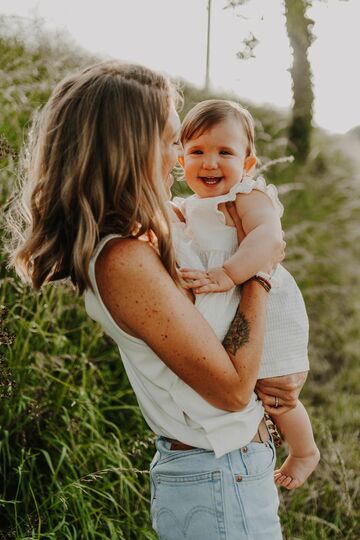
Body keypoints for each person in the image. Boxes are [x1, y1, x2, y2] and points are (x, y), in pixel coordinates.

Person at [7, 60, 308, 539]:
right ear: (128, 146)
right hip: (217, 479)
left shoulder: (150, 233)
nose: (179, 158)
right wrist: (260, 274)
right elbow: (231, 391)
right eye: (172, 141)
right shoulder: (123, 259)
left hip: (224, 472)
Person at [171, 99, 320, 490]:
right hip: (235, 303)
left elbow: (268, 239)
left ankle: (304, 450)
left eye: (225, 152)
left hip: (271, 307)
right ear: (179, 159)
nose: (210, 163)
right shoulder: (190, 205)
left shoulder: (247, 195)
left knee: (275, 387)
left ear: (248, 164)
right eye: (197, 151)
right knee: (247, 378)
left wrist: (227, 273)